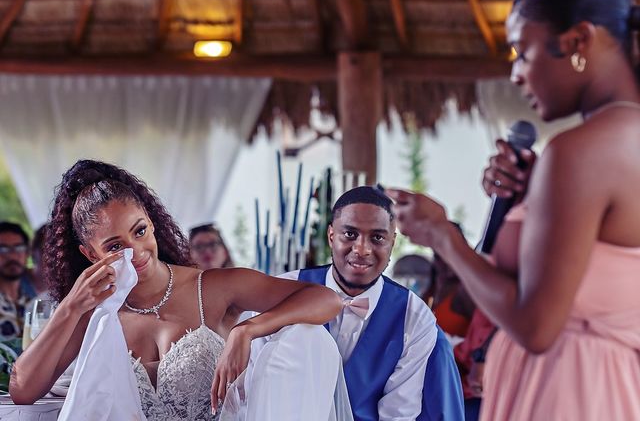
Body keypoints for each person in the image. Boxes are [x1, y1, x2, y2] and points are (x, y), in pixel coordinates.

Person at [388, 0, 640, 420]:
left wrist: (441, 234)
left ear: (578, 41)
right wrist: (534, 194)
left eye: (522, 52)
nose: (517, 74)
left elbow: (536, 324)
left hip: (568, 390)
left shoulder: (579, 153)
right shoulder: (619, 142)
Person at [9, 159, 343, 419]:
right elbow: (23, 391)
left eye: (139, 231)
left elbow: (327, 298)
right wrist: (70, 307)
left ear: (151, 223)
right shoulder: (94, 317)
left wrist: (247, 330)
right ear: (90, 254)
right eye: (115, 246)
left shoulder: (213, 287)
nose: (136, 252)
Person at [281, 186, 464, 421]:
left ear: (392, 243)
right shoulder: (283, 290)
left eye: (377, 237)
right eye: (349, 234)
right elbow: (253, 391)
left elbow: (398, 415)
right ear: (331, 236)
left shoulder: (415, 317)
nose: (361, 249)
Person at [0, 222, 36, 342]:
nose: (12, 255)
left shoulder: (34, 300)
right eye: (3, 249)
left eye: (19, 247)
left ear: (27, 253)